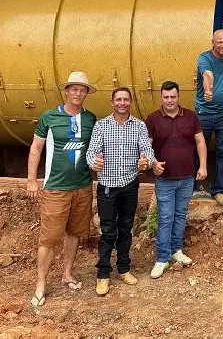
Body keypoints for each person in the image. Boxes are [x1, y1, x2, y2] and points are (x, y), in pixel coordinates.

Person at [26, 71, 97, 307]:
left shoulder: (90, 119)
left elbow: (95, 149)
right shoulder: (49, 117)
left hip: (83, 187)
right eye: (74, 89)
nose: (78, 93)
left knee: (75, 233)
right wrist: (32, 180)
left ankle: (67, 273)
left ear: (87, 93)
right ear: (66, 91)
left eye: (82, 89)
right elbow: (36, 148)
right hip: (56, 188)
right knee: (49, 238)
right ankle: (41, 283)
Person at [86, 86, 156, 296]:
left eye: (126, 99)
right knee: (108, 231)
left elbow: (148, 152)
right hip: (107, 186)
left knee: (126, 228)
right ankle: (103, 274)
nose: (122, 103)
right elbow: (91, 153)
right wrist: (94, 163)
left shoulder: (139, 126)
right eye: (118, 100)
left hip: (129, 185)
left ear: (130, 102)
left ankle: (124, 269)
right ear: (112, 102)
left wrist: (146, 161)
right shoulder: (101, 126)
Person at [145, 81, 208, 279]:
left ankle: (176, 250)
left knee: (180, 215)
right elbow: (147, 146)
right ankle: (162, 258)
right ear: (161, 97)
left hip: (187, 177)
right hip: (164, 179)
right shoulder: (153, 119)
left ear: (178, 96)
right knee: (166, 217)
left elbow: (200, 142)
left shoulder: (190, 116)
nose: (169, 100)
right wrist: (153, 163)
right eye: (166, 97)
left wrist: (203, 166)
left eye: (173, 97)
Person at [195, 29, 223, 205]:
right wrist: (208, 88)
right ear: (212, 42)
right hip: (204, 113)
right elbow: (207, 74)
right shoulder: (204, 58)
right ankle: (193, 188)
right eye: (219, 42)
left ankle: (218, 190)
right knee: (196, 151)